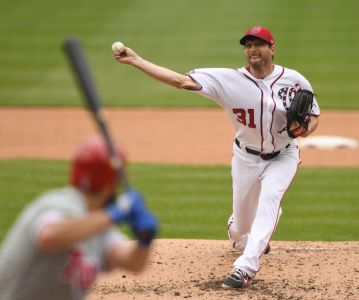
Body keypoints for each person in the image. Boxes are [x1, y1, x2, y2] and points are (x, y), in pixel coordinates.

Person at [113, 25, 320, 289]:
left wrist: (306, 130)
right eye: (248, 45)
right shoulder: (228, 80)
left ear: (272, 49)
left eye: (259, 44)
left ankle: (246, 267)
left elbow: (313, 116)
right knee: (241, 224)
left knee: (270, 199)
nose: (253, 49)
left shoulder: (295, 80)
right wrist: (136, 60)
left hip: (284, 155)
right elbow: (180, 81)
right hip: (246, 158)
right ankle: (239, 236)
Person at [0, 138, 158, 299]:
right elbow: (49, 236)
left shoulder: (96, 225)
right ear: (111, 184)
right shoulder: (57, 204)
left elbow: (133, 263)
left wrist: (144, 241)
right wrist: (116, 213)